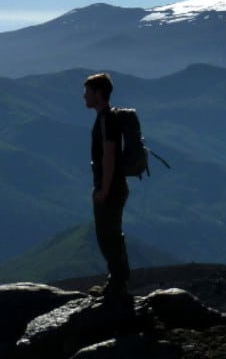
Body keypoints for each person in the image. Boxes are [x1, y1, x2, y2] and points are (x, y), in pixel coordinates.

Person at [83, 72, 131, 298]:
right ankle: (117, 281)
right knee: (111, 233)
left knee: (108, 234)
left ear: (99, 94)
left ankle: (117, 285)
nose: (84, 97)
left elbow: (109, 155)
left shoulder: (106, 120)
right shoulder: (106, 118)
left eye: (88, 92)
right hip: (113, 185)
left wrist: (104, 189)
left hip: (110, 187)